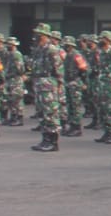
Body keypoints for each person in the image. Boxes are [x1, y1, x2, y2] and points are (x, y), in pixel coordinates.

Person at [28, 23, 65, 153]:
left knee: (50, 113)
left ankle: (53, 141)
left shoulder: (52, 49)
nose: (36, 36)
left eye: (39, 34)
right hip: (39, 83)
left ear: (46, 36)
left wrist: (59, 85)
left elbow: (58, 69)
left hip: (49, 84)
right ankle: (45, 139)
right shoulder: (38, 49)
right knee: (42, 113)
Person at [60, 35, 88, 137]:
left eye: (67, 46)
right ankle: (72, 125)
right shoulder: (67, 55)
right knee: (70, 105)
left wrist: (83, 82)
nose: (65, 47)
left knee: (76, 106)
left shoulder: (77, 55)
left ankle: (77, 127)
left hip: (75, 83)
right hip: (68, 82)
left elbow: (84, 69)